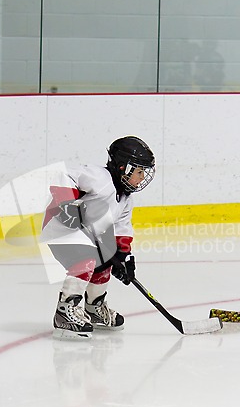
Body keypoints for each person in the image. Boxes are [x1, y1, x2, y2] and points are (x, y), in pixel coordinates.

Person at [40, 136, 156, 339]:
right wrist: (66, 203)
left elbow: (122, 229)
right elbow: (65, 175)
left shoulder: (126, 200)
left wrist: (124, 258)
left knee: (106, 260)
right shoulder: (99, 177)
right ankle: (64, 312)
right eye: (138, 171)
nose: (141, 177)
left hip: (86, 234)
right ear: (122, 167)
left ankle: (94, 308)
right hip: (60, 229)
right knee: (86, 259)